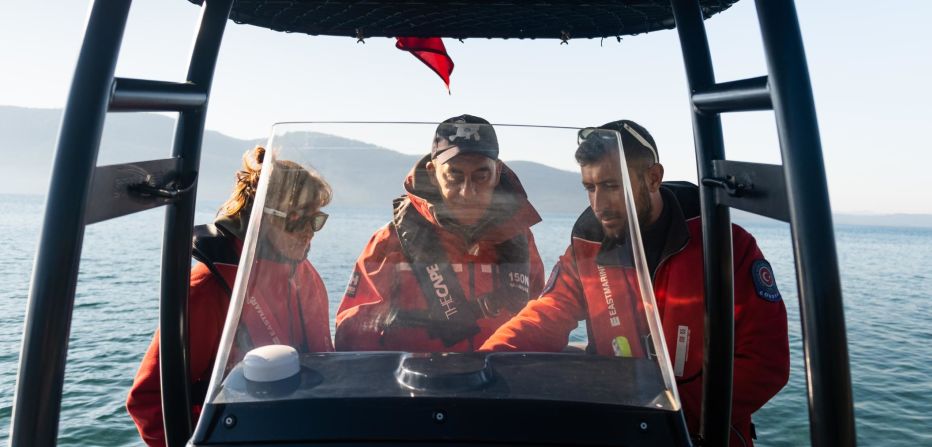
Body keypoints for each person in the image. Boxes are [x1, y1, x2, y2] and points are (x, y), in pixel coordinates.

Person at [480, 120, 789, 446]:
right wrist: (481, 367)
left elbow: (766, 362)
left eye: (612, 186)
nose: (598, 205)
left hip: (697, 435)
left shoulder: (725, 246)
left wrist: (665, 416)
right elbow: (544, 316)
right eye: (590, 187)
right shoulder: (587, 248)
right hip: (619, 430)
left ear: (653, 177)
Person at [126, 146, 334, 446]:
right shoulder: (207, 288)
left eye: (316, 221)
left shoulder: (306, 278)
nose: (309, 232)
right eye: (298, 220)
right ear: (260, 217)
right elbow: (149, 402)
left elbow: (325, 364)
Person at [334, 115, 546, 352]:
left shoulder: (521, 239)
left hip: (500, 381)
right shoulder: (390, 241)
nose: (468, 192)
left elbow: (539, 319)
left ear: (497, 173)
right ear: (433, 173)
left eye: (481, 176)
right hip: (416, 384)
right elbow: (352, 335)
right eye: (455, 175)